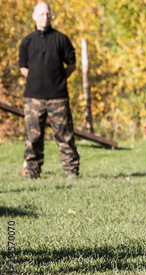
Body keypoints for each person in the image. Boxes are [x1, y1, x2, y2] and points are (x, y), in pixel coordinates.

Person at [18, 2, 80, 179]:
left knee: (65, 136)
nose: (45, 17)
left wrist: (57, 79)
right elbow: (23, 67)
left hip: (58, 97)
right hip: (33, 98)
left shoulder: (61, 39)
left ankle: (71, 172)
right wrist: (37, 80)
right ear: (34, 16)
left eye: (48, 14)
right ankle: (31, 172)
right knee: (33, 138)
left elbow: (72, 65)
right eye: (42, 14)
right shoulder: (27, 41)